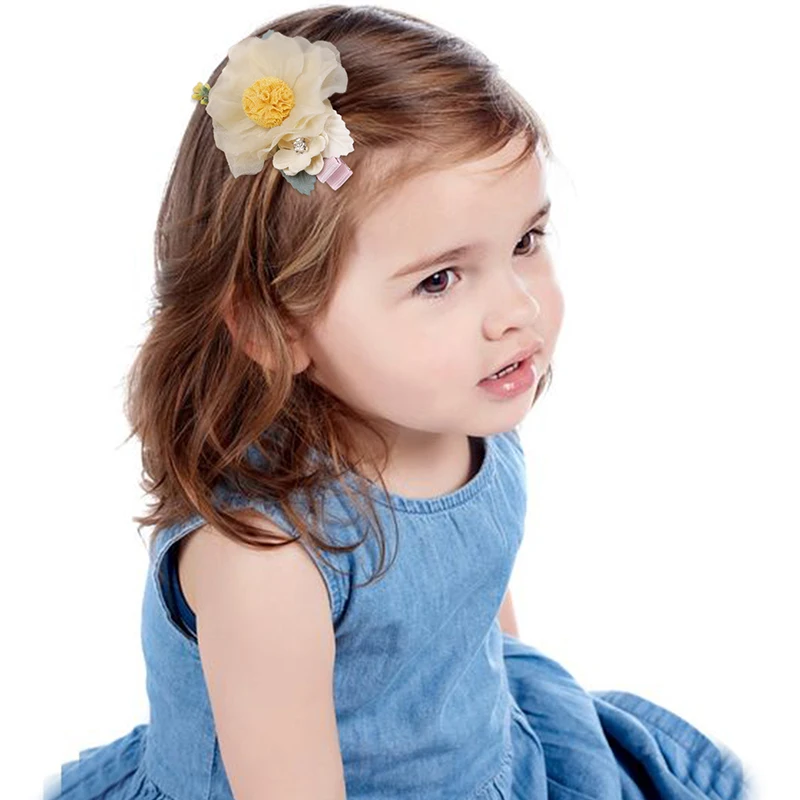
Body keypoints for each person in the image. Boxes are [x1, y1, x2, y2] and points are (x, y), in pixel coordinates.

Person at [43, 5, 752, 799]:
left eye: (525, 242)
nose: (517, 310)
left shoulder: (462, 410)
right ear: (276, 328)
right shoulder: (267, 562)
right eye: (440, 279)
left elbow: (473, 609)